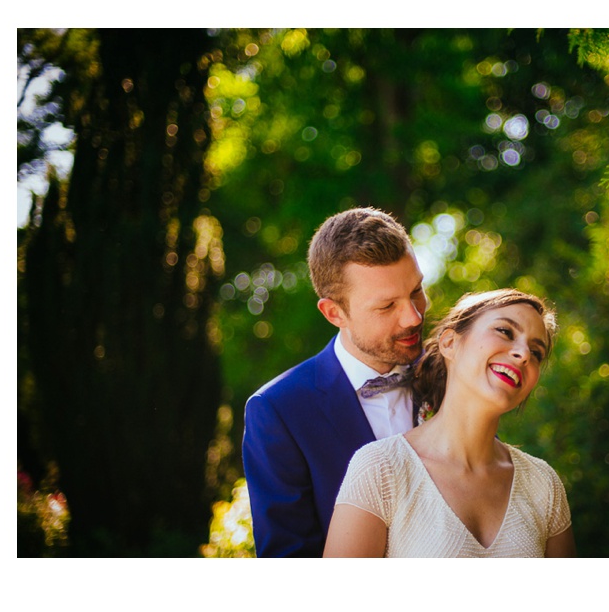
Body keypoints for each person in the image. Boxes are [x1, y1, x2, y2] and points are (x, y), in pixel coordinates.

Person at [323, 289, 576, 558]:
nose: (523, 354)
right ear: (449, 343)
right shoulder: (380, 469)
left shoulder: (544, 485)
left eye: (536, 352)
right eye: (505, 331)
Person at [242, 207, 429, 557]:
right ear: (334, 313)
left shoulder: (453, 375)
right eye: (387, 306)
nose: (414, 316)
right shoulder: (279, 411)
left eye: (416, 290)